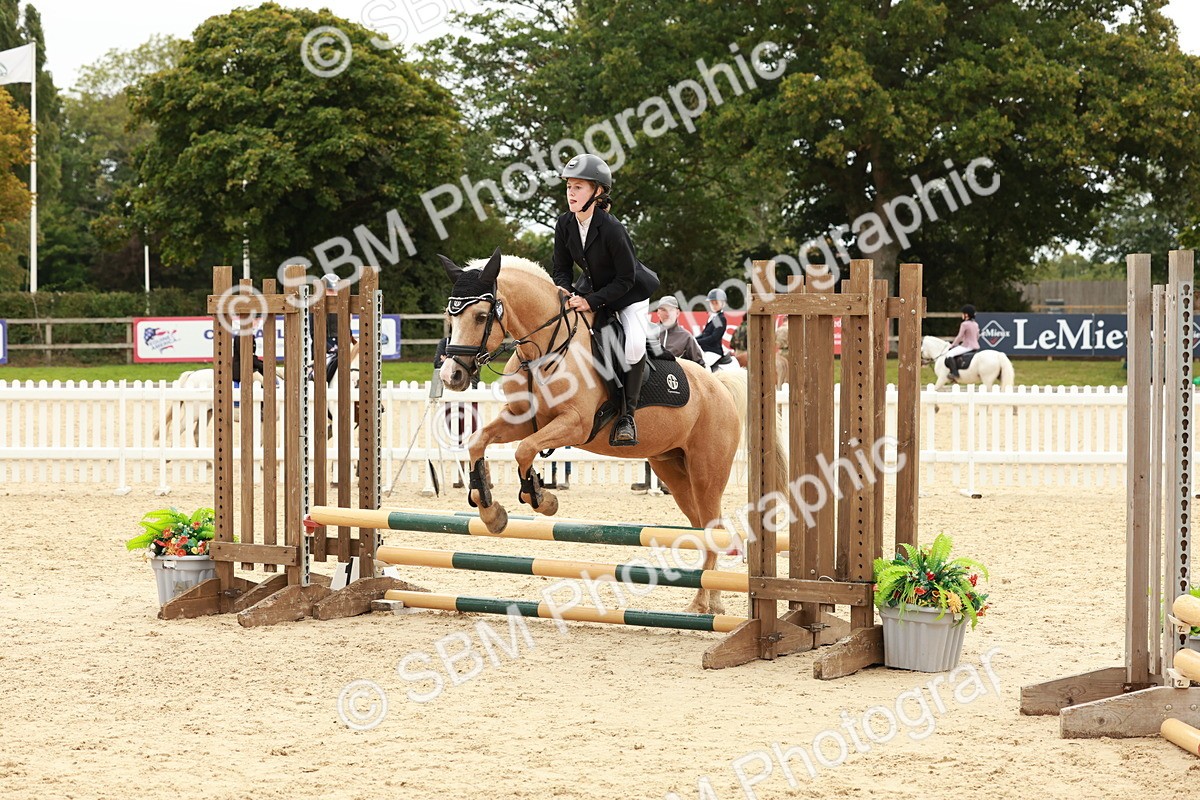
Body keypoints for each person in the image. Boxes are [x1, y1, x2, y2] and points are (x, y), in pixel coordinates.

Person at [552, 153, 659, 446]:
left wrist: (589, 302)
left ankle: (627, 416)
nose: (571, 194)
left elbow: (625, 279)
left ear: (597, 192)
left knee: (634, 345)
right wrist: (566, 291)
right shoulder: (564, 224)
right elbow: (560, 269)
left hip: (629, 295)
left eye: (578, 188)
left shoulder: (612, 229)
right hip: (592, 289)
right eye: (569, 187)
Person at [650, 296, 704, 365]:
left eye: (671, 310)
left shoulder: (686, 337)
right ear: (658, 312)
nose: (667, 314)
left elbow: (699, 364)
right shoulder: (648, 333)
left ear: (677, 313)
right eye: (663, 310)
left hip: (675, 374)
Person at [697, 288, 730, 370]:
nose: (714, 305)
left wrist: (697, 342)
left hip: (713, 351)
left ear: (723, 303)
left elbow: (714, 338)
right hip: (706, 349)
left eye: (716, 303)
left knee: (703, 366)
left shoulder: (721, 318)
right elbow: (705, 334)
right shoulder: (713, 317)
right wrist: (692, 339)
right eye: (712, 303)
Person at [945, 304, 981, 379]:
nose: (962, 315)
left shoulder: (964, 324)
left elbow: (959, 336)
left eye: (963, 313)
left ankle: (954, 373)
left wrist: (953, 345)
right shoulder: (975, 324)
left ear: (966, 315)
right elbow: (977, 336)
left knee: (949, 354)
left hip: (967, 346)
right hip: (976, 346)